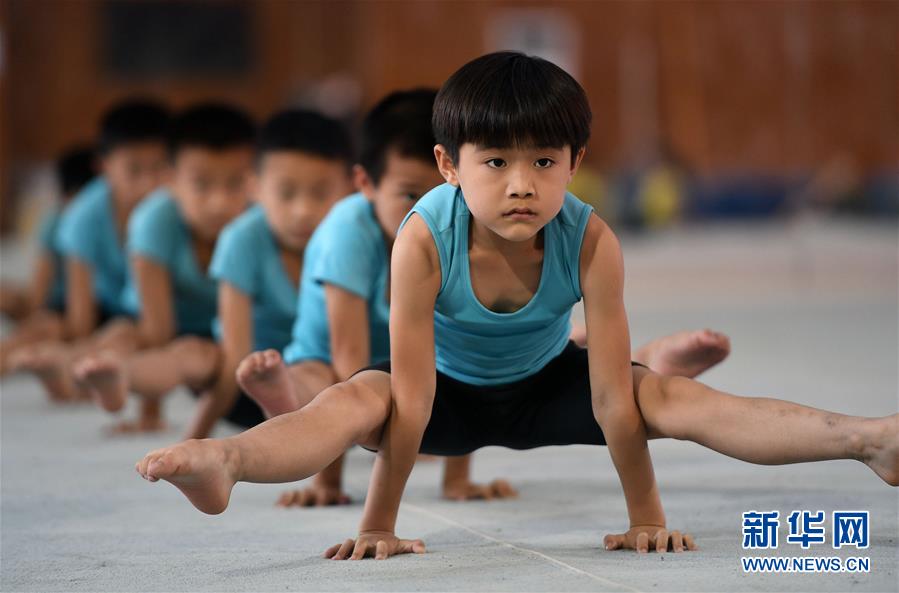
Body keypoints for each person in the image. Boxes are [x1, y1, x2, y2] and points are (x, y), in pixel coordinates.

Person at [137, 53, 897, 560]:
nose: (520, 184)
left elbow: (607, 395)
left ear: (576, 163)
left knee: (665, 393)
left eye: (543, 161)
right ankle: (227, 461)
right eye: (494, 163)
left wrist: (646, 516)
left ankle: (866, 439)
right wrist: (378, 526)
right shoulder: (421, 240)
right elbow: (412, 394)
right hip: (444, 395)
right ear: (448, 166)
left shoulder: (591, 240)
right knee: (354, 397)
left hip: (546, 388)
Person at [76, 109, 353, 440]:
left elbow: (353, 356)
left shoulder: (352, 238)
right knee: (192, 352)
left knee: (326, 373)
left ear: (352, 188)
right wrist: (193, 440)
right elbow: (224, 351)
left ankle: (286, 401)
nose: (302, 210)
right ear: (258, 188)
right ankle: (121, 372)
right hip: (242, 383)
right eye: (287, 193)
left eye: (320, 193)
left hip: (322, 392)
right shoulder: (242, 236)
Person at [71, 103, 257, 432]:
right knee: (123, 335)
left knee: (198, 354)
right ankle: (106, 370)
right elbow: (158, 329)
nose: (219, 202)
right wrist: (150, 414)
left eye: (234, 184)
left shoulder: (258, 223)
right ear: (170, 180)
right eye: (201, 185)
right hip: (153, 322)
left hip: (229, 332)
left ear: (256, 181)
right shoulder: (152, 220)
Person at [10, 99, 171, 399]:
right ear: (104, 167)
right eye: (134, 170)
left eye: (159, 168)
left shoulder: (176, 209)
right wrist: (79, 339)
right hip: (104, 307)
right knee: (49, 326)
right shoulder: (82, 216)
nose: (148, 183)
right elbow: (80, 317)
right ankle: (51, 363)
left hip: (156, 313)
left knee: (125, 334)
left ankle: (76, 371)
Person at [0, 146, 96, 377]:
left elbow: (80, 319)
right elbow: (38, 294)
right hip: (54, 301)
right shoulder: (55, 222)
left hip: (77, 310)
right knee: (17, 301)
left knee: (45, 326)